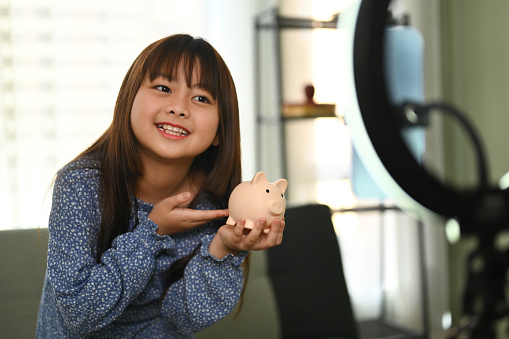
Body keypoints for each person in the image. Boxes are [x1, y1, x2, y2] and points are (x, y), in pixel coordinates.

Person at [36, 34, 285, 338]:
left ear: (221, 131)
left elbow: (181, 318)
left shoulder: (216, 205)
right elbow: (78, 313)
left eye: (201, 98)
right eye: (163, 88)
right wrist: (153, 232)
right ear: (129, 99)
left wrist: (223, 248)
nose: (179, 108)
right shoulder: (80, 186)